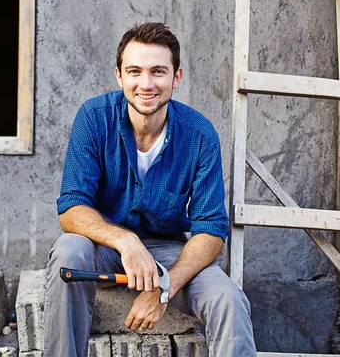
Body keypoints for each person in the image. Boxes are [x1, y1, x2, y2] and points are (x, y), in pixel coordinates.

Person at [43, 22, 257, 356]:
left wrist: (165, 287)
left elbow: (211, 228)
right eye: (134, 71)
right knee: (70, 249)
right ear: (119, 76)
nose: (146, 84)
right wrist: (125, 241)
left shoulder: (200, 135)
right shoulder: (93, 118)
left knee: (228, 299)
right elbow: (71, 208)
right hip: (105, 245)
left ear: (176, 77)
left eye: (158, 71)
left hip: (167, 250)